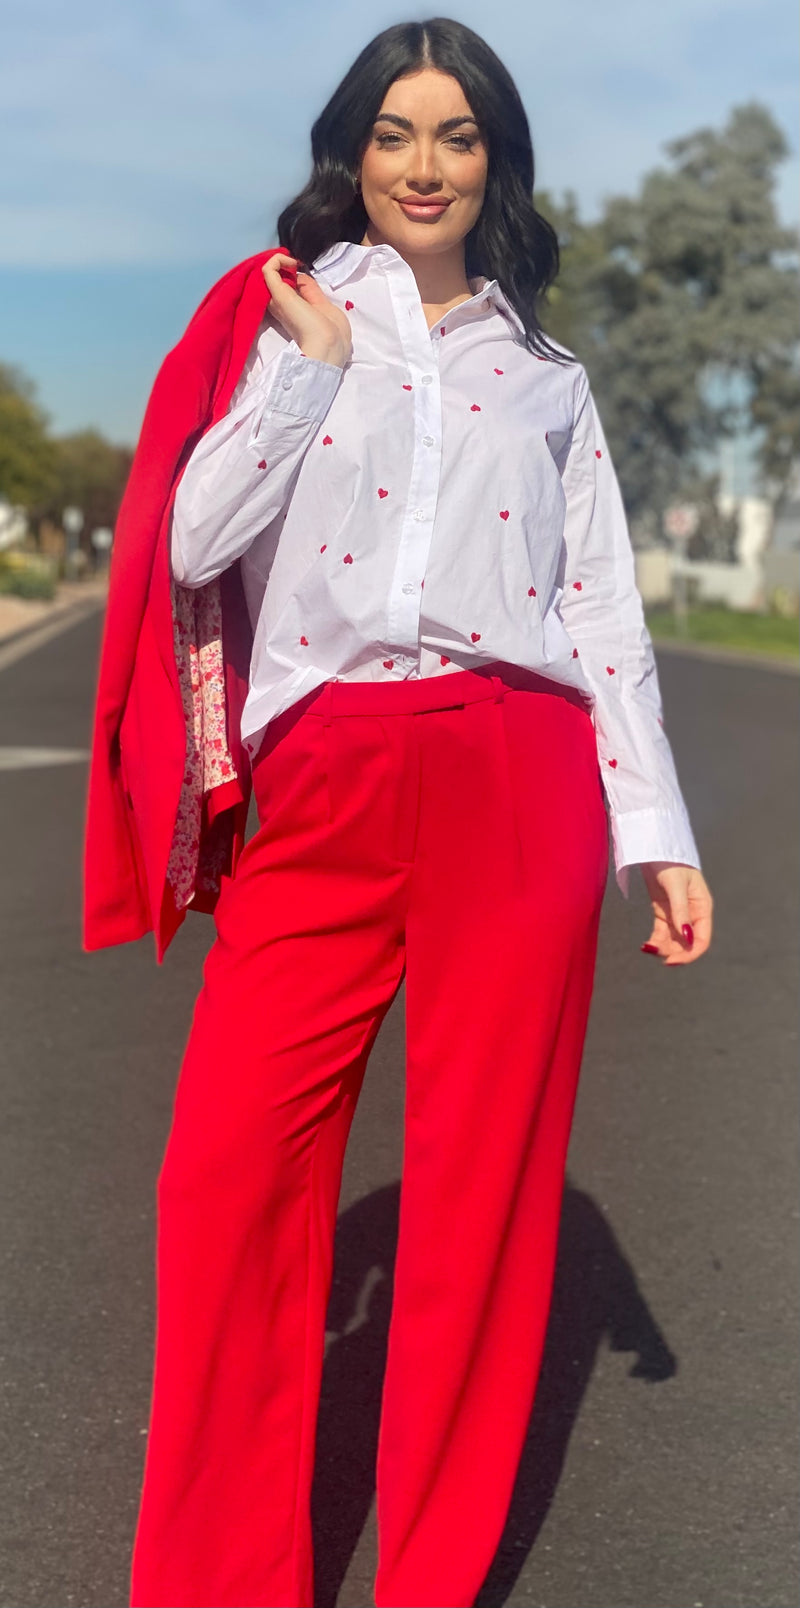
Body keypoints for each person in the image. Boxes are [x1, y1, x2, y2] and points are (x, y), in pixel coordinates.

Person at [122, 18, 713, 1608]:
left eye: (457, 136)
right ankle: (218, 1581)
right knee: (226, 1181)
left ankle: (431, 1579)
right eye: (395, 133)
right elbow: (190, 545)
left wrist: (658, 832)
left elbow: (601, 609)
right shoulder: (285, 321)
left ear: (494, 161)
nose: (424, 164)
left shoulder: (547, 375)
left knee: (484, 1204)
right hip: (324, 777)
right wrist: (307, 387)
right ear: (353, 151)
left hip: (520, 780)